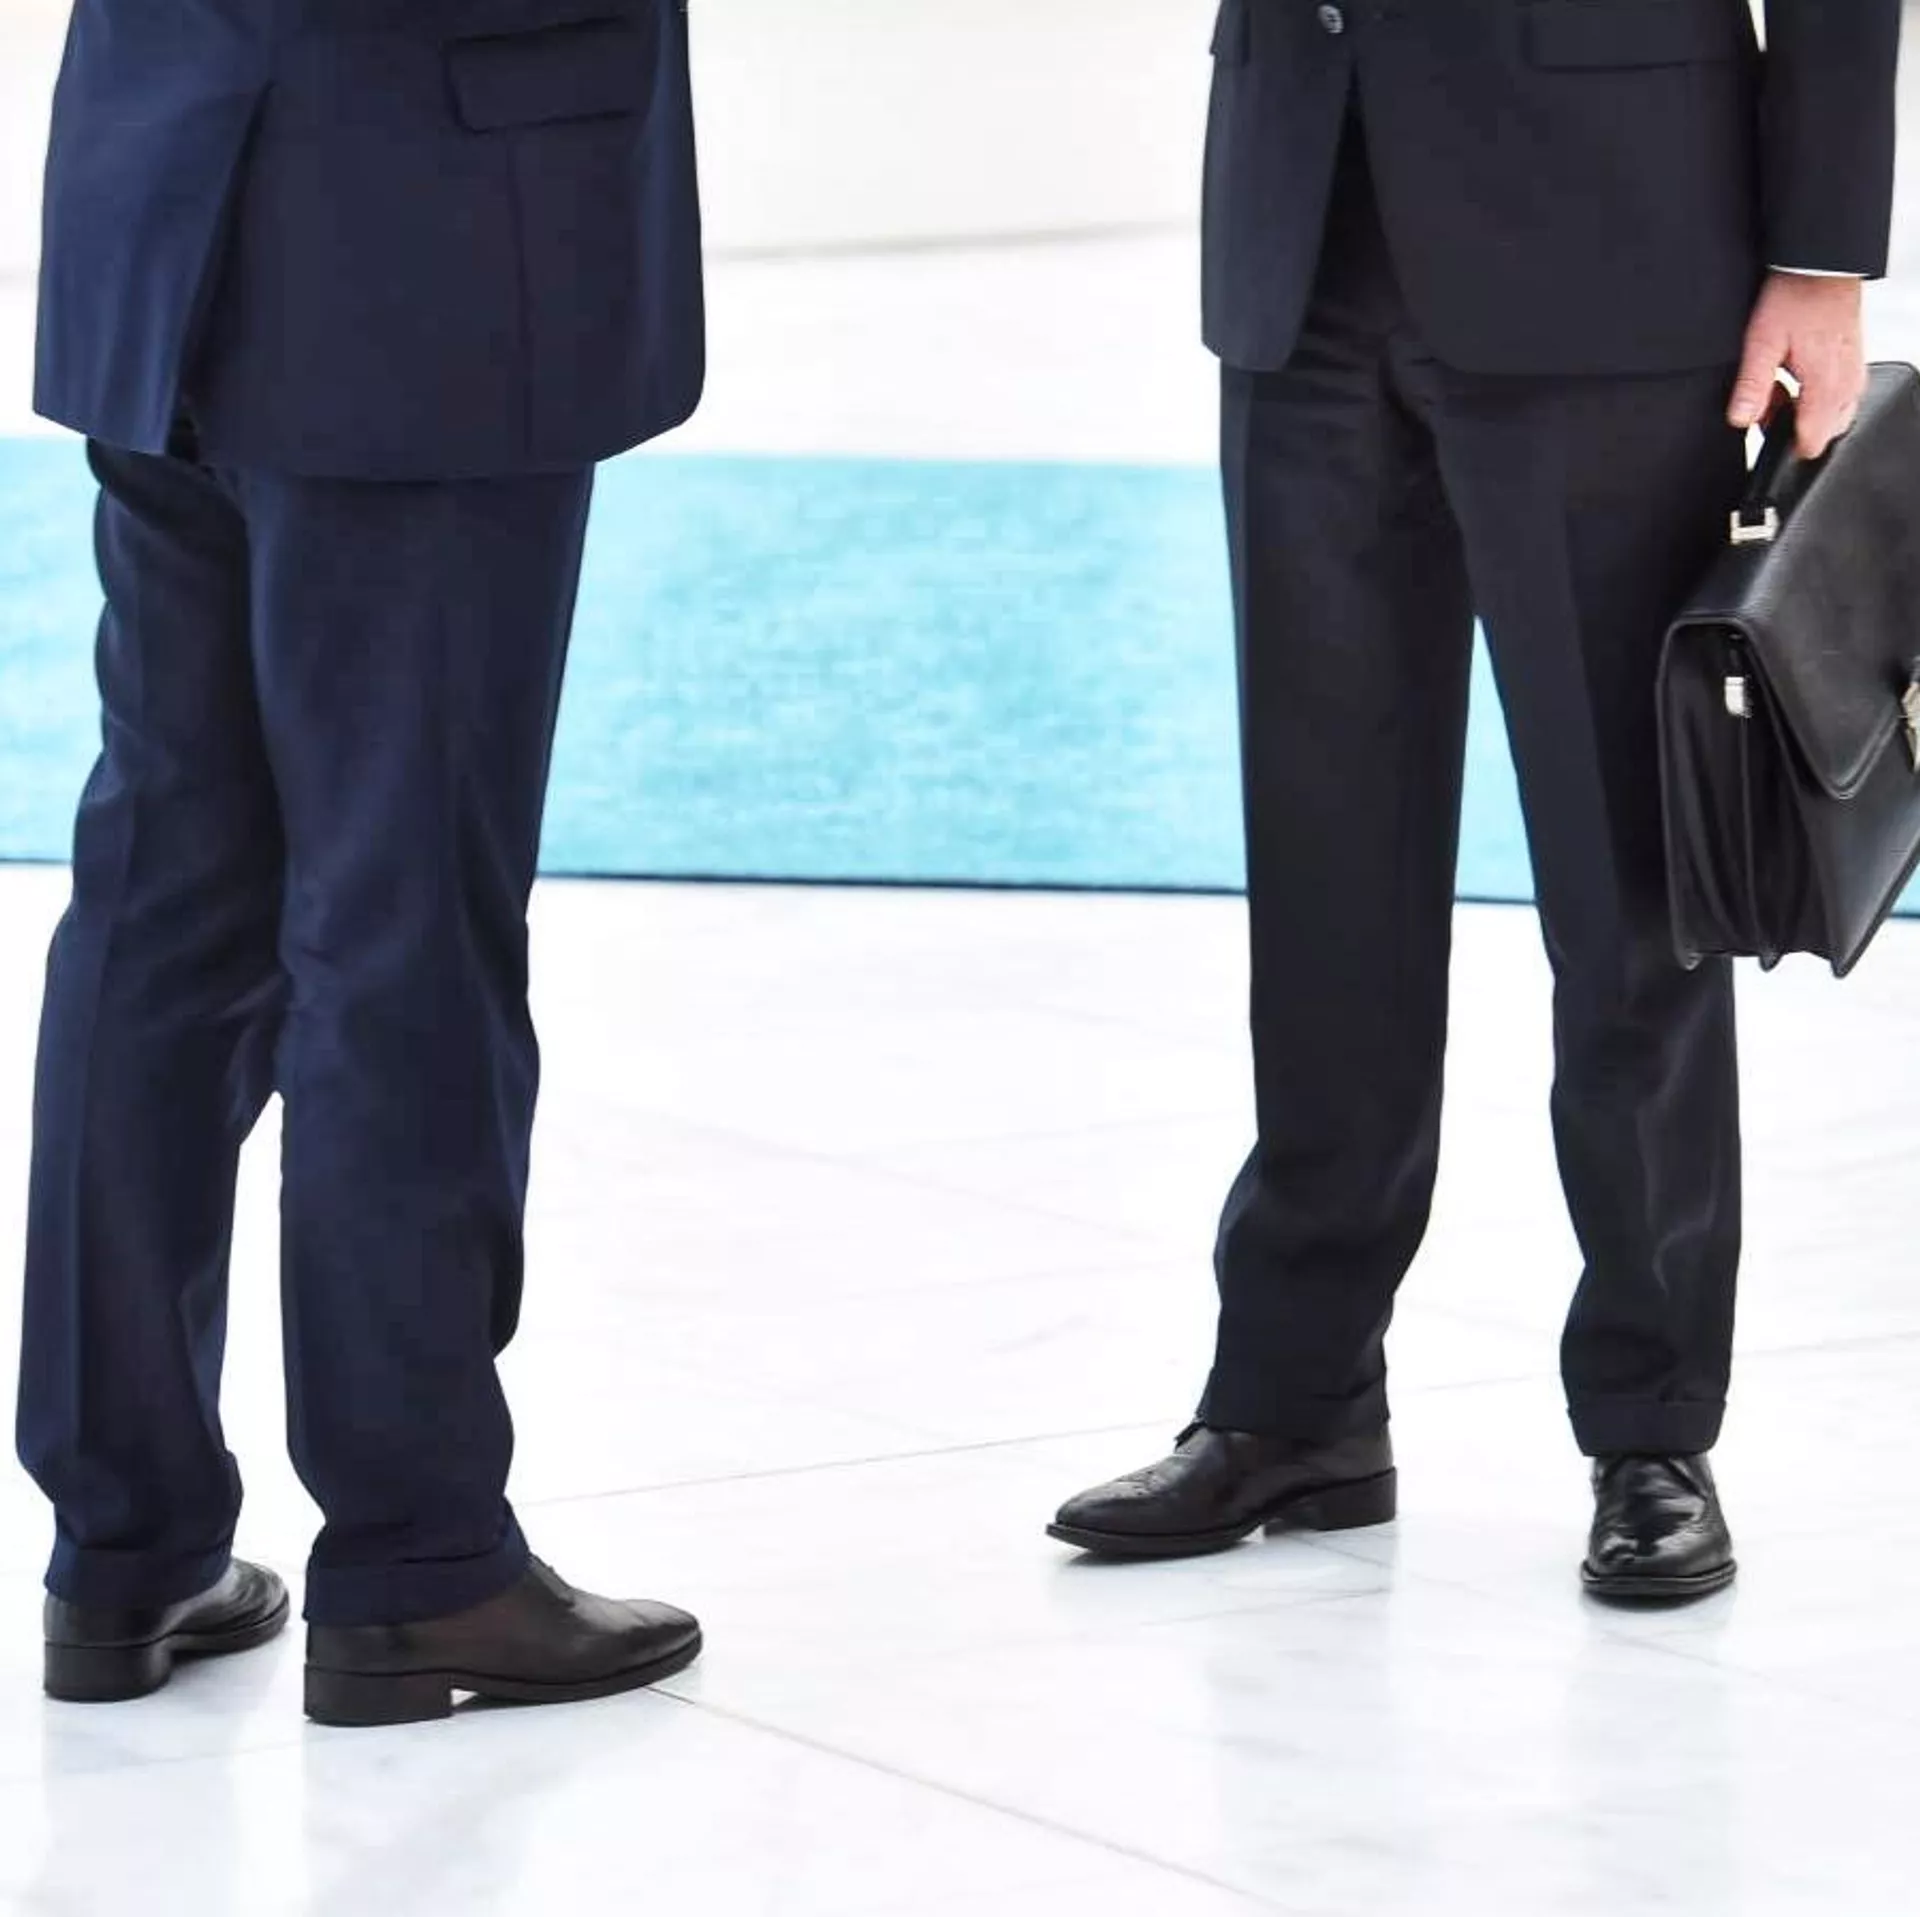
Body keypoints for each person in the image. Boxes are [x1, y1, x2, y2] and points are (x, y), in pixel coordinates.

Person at [1051, 0, 1901, 1601]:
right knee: (1324, 863)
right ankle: (1295, 1399)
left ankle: (1652, 1422)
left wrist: (1823, 251)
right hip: (1304, 228)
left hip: (1611, 228)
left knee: (1624, 883)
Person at [19, 0, 706, 1724]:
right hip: (428, 229)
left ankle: (126, 1541)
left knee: (163, 900)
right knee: (398, 919)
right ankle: (422, 1556)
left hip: (168, 188)